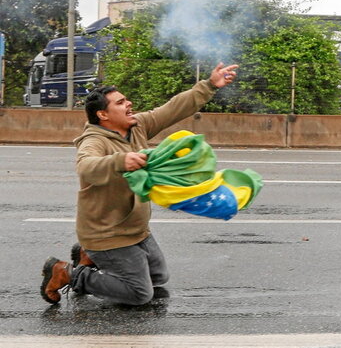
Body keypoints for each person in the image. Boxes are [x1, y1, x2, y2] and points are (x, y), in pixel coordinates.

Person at [40, 62, 238, 305]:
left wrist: (209, 85)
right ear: (103, 114)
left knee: (158, 277)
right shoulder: (93, 141)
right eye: (120, 103)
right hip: (107, 233)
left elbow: (173, 109)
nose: (129, 104)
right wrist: (121, 160)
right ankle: (67, 272)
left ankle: (87, 256)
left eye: (126, 100)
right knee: (139, 294)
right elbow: (86, 166)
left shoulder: (137, 126)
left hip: (135, 228)